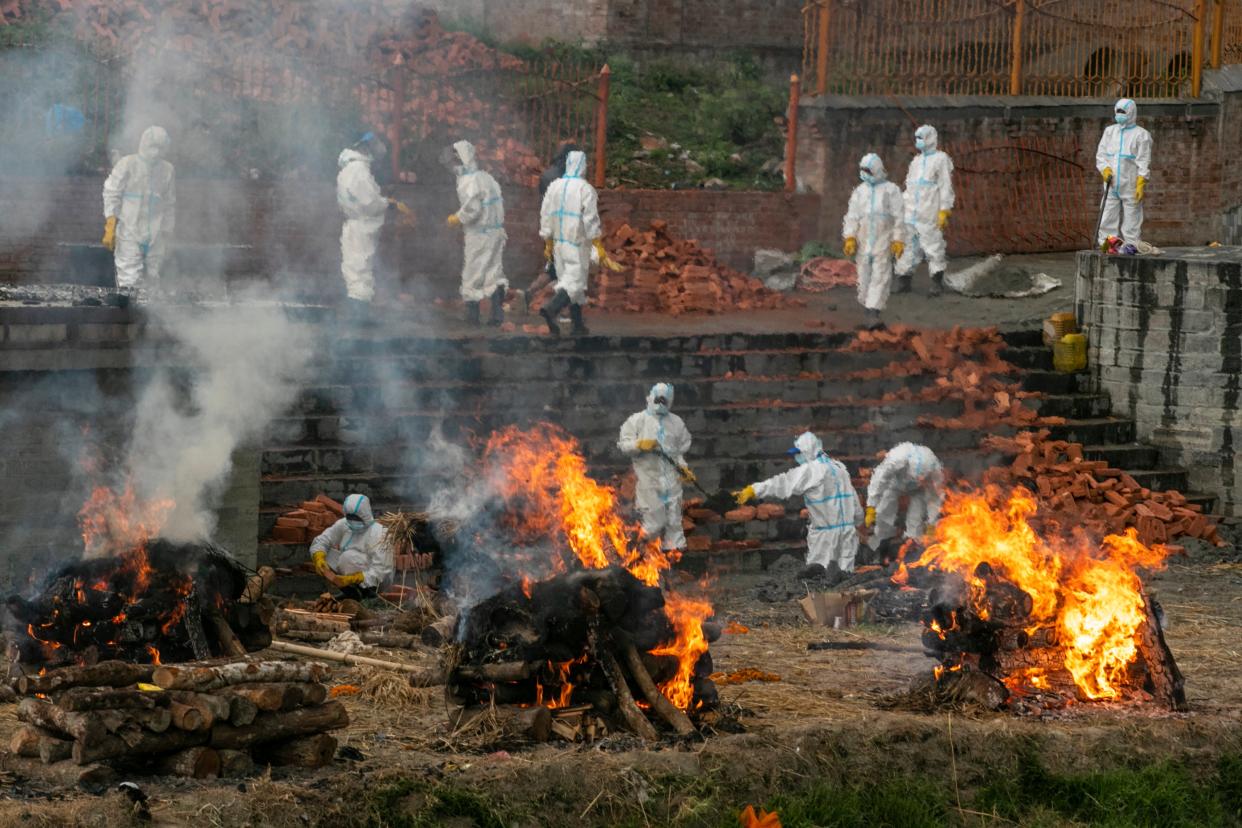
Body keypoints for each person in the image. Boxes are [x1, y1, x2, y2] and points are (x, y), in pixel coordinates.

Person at [734, 432, 862, 572]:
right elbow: (853, 498)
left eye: (799, 453)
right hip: (847, 534)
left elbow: (783, 483)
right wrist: (857, 520)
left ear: (808, 451)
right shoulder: (839, 468)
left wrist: (753, 490)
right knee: (844, 578)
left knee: (819, 578)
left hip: (825, 538)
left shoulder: (811, 470)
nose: (797, 457)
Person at [538, 149, 621, 337]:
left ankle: (577, 325)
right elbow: (591, 219)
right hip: (576, 245)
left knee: (570, 282)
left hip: (559, 245)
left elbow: (546, 214)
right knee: (574, 283)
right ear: (583, 166)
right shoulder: (585, 189)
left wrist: (548, 241)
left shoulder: (554, 186)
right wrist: (597, 244)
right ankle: (551, 309)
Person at [617, 382, 694, 552]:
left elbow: (678, 452)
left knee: (674, 521)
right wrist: (639, 445)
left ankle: (674, 559)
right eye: (657, 398)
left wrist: (684, 469)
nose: (660, 403)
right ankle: (636, 553)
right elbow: (623, 445)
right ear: (649, 398)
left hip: (672, 481)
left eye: (664, 400)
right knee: (653, 523)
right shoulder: (637, 421)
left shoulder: (676, 423)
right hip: (648, 481)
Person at [102, 126, 176, 301]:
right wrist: (110, 225)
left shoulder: (167, 169)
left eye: (160, 147)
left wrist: (167, 232)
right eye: (152, 146)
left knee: (153, 278)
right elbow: (111, 193)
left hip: (156, 234)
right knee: (129, 281)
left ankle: (151, 319)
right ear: (143, 143)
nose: (156, 152)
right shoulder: (128, 164)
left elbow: (170, 203)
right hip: (130, 230)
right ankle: (128, 319)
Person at [444, 141, 508, 326]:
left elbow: (473, 210)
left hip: (480, 234)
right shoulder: (485, 177)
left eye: (453, 162)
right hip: (495, 232)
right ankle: (497, 315)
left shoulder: (469, 181)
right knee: (493, 272)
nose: (451, 166)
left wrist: (456, 218)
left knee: (472, 273)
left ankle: (472, 316)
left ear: (460, 159)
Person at [842, 153, 905, 328]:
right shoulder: (860, 191)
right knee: (863, 273)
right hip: (863, 238)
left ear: (877, 170)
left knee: (881, 273)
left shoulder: (891, 190)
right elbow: (852, 216)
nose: (865, 174)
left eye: (868, 171)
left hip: (883, 236)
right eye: (862, 170)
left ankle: (873, 311)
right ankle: (866, 305)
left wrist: (898, 239)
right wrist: (850, 237)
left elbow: (899, 216)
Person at [895, 124, 955, 297]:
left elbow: (945, 186)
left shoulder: (941, 159)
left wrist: (944, 210)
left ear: (930, 138)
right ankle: (904, 281)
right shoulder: (916, 161)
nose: (918, 141)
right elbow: (909, 186)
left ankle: (937, 282)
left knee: (932, 246)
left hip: (929, 212)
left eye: (921, 138)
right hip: (910, 211)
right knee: (907, 246)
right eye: (917, 138)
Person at [336, 133, 393, 312]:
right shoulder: (358, 170)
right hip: (362, 225)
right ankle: (359, 314)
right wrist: (387, 204)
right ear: (365, 148)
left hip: (354, 223)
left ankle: (355, 312)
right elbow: (369, 202)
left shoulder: (347, 169)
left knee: (354, 267)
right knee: (361, 268)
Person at [524, 143, 580, 311]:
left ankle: (530, 291)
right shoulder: (566, 177)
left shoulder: (546, 175)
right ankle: (556, 309)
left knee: (553, 268)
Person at [309, 493, 394, 600]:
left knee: (348, 557)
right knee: (326, 554)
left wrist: (357, 578)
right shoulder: (344, 524)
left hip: (378, 581)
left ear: (364, 515)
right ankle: (351, 593)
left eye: (356, 517)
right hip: (351, 565)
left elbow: (381, 570)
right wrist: (318, 556)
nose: (353, 521)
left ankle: (367, 594)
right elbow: (322, 540)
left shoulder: (379, 533)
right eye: (350, 517)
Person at [864, 442, 945, 548]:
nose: (920, 479)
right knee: (884, 507)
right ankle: (882, 541)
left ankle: (912, 543)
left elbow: (935, 497)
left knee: (917, 513)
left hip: (917, 489)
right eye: (918, 477)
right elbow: (879, 480)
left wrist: (932, 523)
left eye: (922, 477)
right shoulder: (897, 458)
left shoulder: (934, 467)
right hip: (894, 483)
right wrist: (871, 506)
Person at [1095, 98, 1152, 248]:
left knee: (1132, 218)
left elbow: (1143, 161)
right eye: (1118, 112)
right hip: (1111, 184)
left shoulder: (1142, 135)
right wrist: (1105, 169)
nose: (1119, 115)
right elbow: (1101, 155)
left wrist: (1141, 182)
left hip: (1131, 184)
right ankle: (1108, 245)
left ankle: (1131, 246)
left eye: (1123, 112)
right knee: (1107, 215)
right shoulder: (1110, 132)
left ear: (1131, 113)